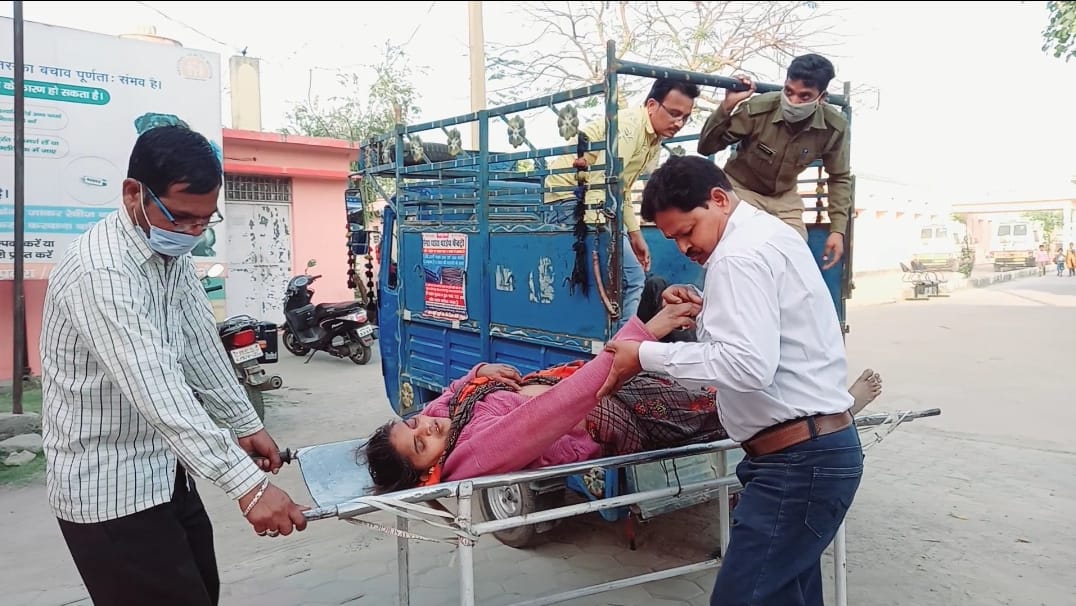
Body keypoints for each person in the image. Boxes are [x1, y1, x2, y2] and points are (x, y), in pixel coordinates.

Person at [38, 125, 309, 606]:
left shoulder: (171, 254)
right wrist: (248, 487)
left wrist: (244, 423)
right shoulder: (100, 271)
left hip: (166, 474)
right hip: (110, 492)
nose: (192, 233)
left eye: (204, 221)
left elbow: (199, 345)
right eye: (181, 217)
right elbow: (158, 389)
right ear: (132, 194)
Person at [597, 155, 865, 606]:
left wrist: (643, 355)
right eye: (673, 239)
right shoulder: (768, 234)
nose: (684, 247)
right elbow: (764, 328)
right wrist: (708, 307)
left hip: (798, 463)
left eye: (687, 231)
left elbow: (748, 365)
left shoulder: (737, 256)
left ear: (719, 199)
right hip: (809, 455)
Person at [361, 316, 882, 496]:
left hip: (589, 386)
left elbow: (449, 394)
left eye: (414, 423)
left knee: (701, 371)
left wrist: (479, 371)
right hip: (606, 413)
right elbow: (549, 414)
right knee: (711, 402)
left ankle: (803, 380)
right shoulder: (471, 455)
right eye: (421, 445)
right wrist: (642, 335)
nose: (428, 426)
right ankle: (826, 409)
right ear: (426, 473)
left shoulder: (448, 419)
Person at [544, 78, 701, 325]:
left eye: (685, 117)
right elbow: (601, 181)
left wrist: (635, 234)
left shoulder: (653, 140)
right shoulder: (629, 128)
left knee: (625, 275)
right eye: (674, 114)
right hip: (569, 198)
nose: (679, 123)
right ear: (652, 105)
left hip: (593, 199)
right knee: (632, 278)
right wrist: (602, 230)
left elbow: (621, 188)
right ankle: (624, 343)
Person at [696, 53, 851, 271]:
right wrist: (727, 107)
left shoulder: (834, 127)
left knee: (794, 252)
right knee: (734, 249)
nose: (793, 102)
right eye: (789, 91)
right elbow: (707, 147)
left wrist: (837, 230)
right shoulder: (759, 109)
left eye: (805, 96)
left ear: (821, 97)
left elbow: (839, 177)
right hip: (740, 188)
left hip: (784, 197)